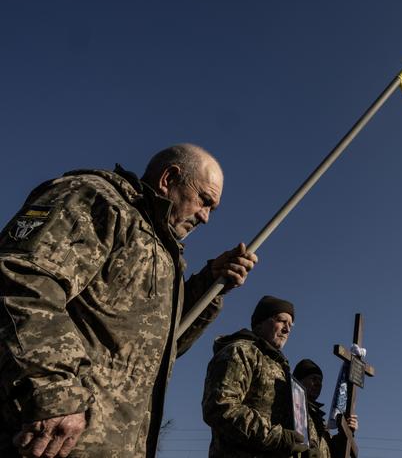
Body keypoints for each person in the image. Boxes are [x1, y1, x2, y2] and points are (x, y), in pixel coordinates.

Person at [0, 144, 258, 458]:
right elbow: (22, 280)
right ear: (169, 178)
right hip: (53, 440)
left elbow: (164, 344)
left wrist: (210, 284)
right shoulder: (98, 200)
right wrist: (54, 390)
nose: (205, 217)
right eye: (204, 200)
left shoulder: (165, 255)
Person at [202, 295, 309, 458]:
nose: (287, 329)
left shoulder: (280, 367)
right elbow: (220, 406)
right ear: (260, 323)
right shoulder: (241, 352)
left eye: (290, 325)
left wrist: (302, 444)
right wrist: (277, 437)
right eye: (281, 321)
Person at [293, 359, 358, 458]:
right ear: (299, 380)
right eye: (313, 379)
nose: (318, 384)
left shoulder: (320, 422)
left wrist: (346, 432)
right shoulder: (291, 408)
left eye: (320, 381)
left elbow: (332, 453)